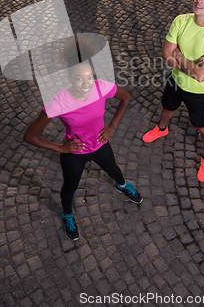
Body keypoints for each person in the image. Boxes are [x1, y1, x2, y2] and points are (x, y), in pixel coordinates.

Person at [24, 37, 142, 241]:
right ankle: (67, 214)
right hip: (75, 153)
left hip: (100, 144)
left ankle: (122, 185)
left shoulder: (100, 87)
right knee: (70, 187)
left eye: (90, 76)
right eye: (79, 78)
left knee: (114, 169)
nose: (86, 84)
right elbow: (30, 135)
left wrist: (112, 126)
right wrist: (60, 149)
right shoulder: (58, 103)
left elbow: (126, 97)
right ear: (69, 77)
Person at [142, 0, 204, 183]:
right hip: (175, 81)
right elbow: (165, 54)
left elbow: (201, 77)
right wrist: (191, 65)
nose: (200, 0)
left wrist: (179, 56)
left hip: (198, 91)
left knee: (202, 127)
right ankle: (162, 129)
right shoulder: (181, 21)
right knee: (166, 108)